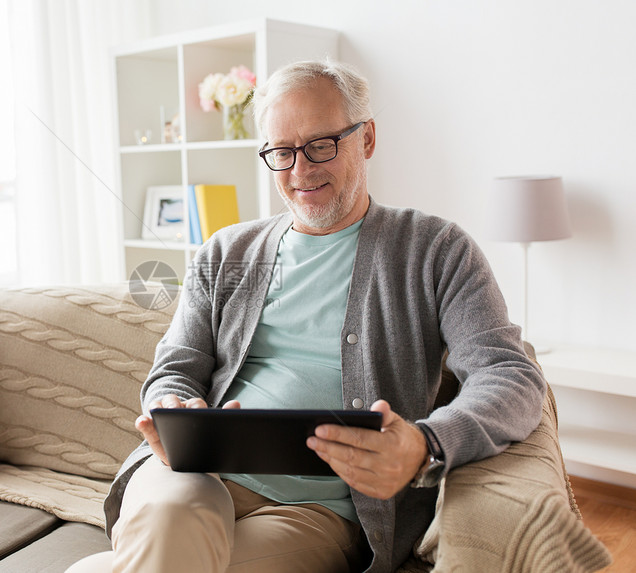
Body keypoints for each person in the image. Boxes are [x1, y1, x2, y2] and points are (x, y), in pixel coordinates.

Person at [67, 60, 546, 573]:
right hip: (195, 475)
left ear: (366, 139)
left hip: (320, 511)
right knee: (171, 522)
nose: (300, 170)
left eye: (321, 145)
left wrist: (425, 445)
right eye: (281, 152)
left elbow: (510, 377)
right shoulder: (225, 252)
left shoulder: (435, 250)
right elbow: (174, 366)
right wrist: (173, 405)